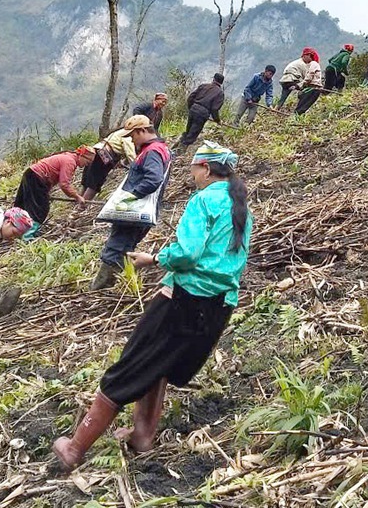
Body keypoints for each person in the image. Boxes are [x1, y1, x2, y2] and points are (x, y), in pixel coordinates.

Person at [53, 141, 251, 467]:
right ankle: (142, 437)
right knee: (162, 363)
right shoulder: (240, 205)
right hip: (220, 304)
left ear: (205, 168)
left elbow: (187, 254)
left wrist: (155, 257)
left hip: (183, 299)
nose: (192, 175)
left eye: (194, 169)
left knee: (132, 363)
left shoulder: (203, 201)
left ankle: (74, 448)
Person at [92, 122, 172, 289]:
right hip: (141, 211)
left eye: (133, 136)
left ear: (142, 131)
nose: (131, 140)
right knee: (125, 247)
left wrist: (132, 195)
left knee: (115, 248)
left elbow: (154, 179)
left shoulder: (152, 152)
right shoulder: (160, 148)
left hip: (134, 211)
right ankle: (118, 284)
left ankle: (99, 288)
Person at [13, 146, 94, 237]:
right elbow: (64, 184)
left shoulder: (67, 157)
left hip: (30, 173)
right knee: (40, 210)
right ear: (81, 156)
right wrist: (77, 197)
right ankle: (27, 235)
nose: (87, 165)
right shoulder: (70, 161)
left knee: (22, 203)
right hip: (37, 177)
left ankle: (14, 226)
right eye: (87, 162)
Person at [81, 116, 146, 201]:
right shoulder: (129, 134)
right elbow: (130, 153)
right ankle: (81, 206)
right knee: (94, 183)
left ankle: (78, 201)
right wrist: (137, 167)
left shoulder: (121, 131)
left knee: (88, 180)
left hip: (98, 150)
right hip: (104, 154)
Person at [177, 73, 226, 151]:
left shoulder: (203, 86)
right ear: (221, 83)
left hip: (193, 109)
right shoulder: (220, 93)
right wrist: (217, 120)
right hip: (202, 114)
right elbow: (214, 109)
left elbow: (191, 97)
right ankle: (180, 151)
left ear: (213, 79)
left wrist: (191, 107)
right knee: (193, 133)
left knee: (188, 130)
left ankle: (179, 143)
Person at [294, 50, 324, 115]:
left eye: (304, 56)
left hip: (313, 88)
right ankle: (298, 117)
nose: (303, 58)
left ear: (309, 56)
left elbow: (309, 77)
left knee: (302, 105)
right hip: (315, 89)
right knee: (304, 105)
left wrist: (299, 85)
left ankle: (296, 116)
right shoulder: (313, 64)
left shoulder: (313, 63)